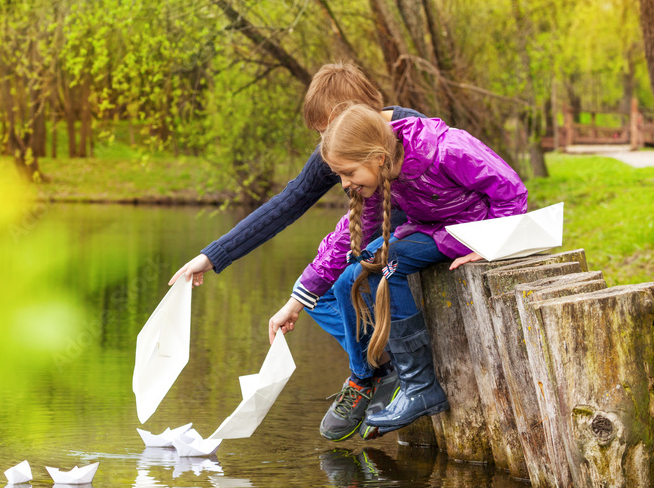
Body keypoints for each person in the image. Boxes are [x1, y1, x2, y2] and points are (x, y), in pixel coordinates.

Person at [169, 61, 425, 440]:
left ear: (355, 118)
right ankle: (379, 369)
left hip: (412, 237)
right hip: (371, 241)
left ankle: (372, 374)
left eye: (328, 131)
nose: (326, 145)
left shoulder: (410, 132)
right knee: (311, 296)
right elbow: (287, 204)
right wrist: (212, 255)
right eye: (322, 134)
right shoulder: (334, 152)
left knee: (342, 284)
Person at [270, 104, 527, 436]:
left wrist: (488, 246)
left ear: (377, 157)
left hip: (469, 231)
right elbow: (347, 236)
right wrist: (296, 302)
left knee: (387, 267)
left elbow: (512, 193)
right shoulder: (382, 175)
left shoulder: (447, 149)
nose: (345, 184)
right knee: (352, 274)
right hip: (432, 231)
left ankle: (419, 386)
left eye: (349, 173)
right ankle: (380, 372)